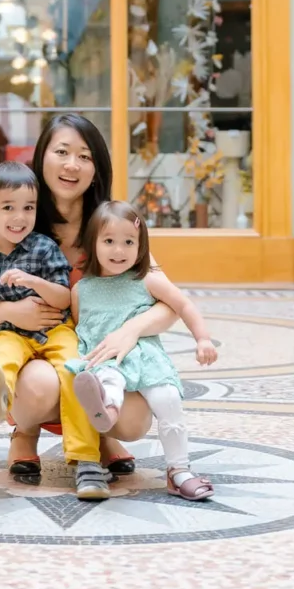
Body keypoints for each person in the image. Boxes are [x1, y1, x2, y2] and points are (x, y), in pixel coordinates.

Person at [0, 113, 179, 477]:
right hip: (41, 354)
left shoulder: (113, 229)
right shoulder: (21, 221)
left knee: (135, 421)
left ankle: (101, 435)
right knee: (40, 387)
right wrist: (12, 312)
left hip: (100, 358)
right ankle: (25, 432)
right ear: (41, 156)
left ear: (97, 167)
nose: (71, 165)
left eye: (85, 156)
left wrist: (130, 331)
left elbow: (170, 303)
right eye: (61, 151)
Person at [0, 160, 110, 501]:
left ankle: (87, 459)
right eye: (8, 207)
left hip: (56, 328)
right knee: (3, 356)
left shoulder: (44, 248)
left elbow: (64, 297)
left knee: (74, 373)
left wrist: (34, 281)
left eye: (28, 208)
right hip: (9, 331)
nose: (19, 217)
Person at [69, 200, 217, 500]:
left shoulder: (145, 279)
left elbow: (182, 304)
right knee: (108, 383)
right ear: (92, 244)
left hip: (146, 358)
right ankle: (105, 412)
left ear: (141, 245)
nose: (119, 250)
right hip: (107, 359)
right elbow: (79, 329)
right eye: (109, 241)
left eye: (128, 242)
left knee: (169, 400)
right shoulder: (81, 289)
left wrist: (202, 338)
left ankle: (179, 470)